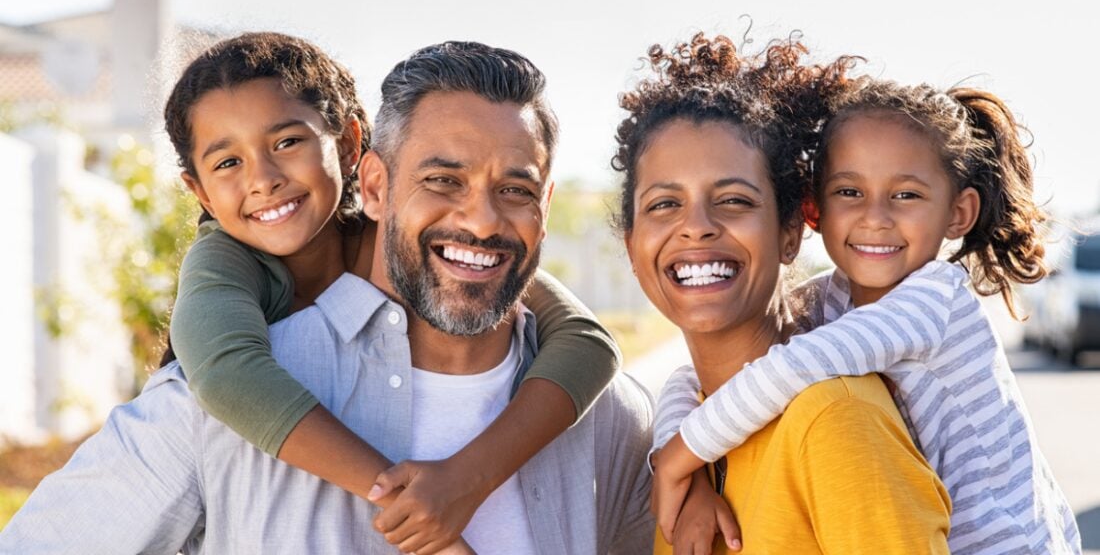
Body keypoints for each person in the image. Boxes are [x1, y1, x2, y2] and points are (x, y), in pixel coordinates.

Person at [0, 39, 654, 555]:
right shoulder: (209, 407)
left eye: (514, 189)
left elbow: (585, 339)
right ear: (374, 186)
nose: (482, 221)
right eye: (441, 179)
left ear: (544, 206)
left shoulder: (607, 417)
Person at [650, 74, 1081, 553]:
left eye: (907, 195)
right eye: (850, 192)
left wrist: (676, 460)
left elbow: (787, 368)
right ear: (815, 210)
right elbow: (690, 381)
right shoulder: (833, 302)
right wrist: (682, 467)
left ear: (959, 213)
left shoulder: (933, 301)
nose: (875, 217)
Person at [615, 32, 951, 554]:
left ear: (790, 232)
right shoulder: (683, 451)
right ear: (632, 245)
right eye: (663, 205)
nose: (696, 227)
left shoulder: (834, 420)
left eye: (732, 200)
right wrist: (683, 456)